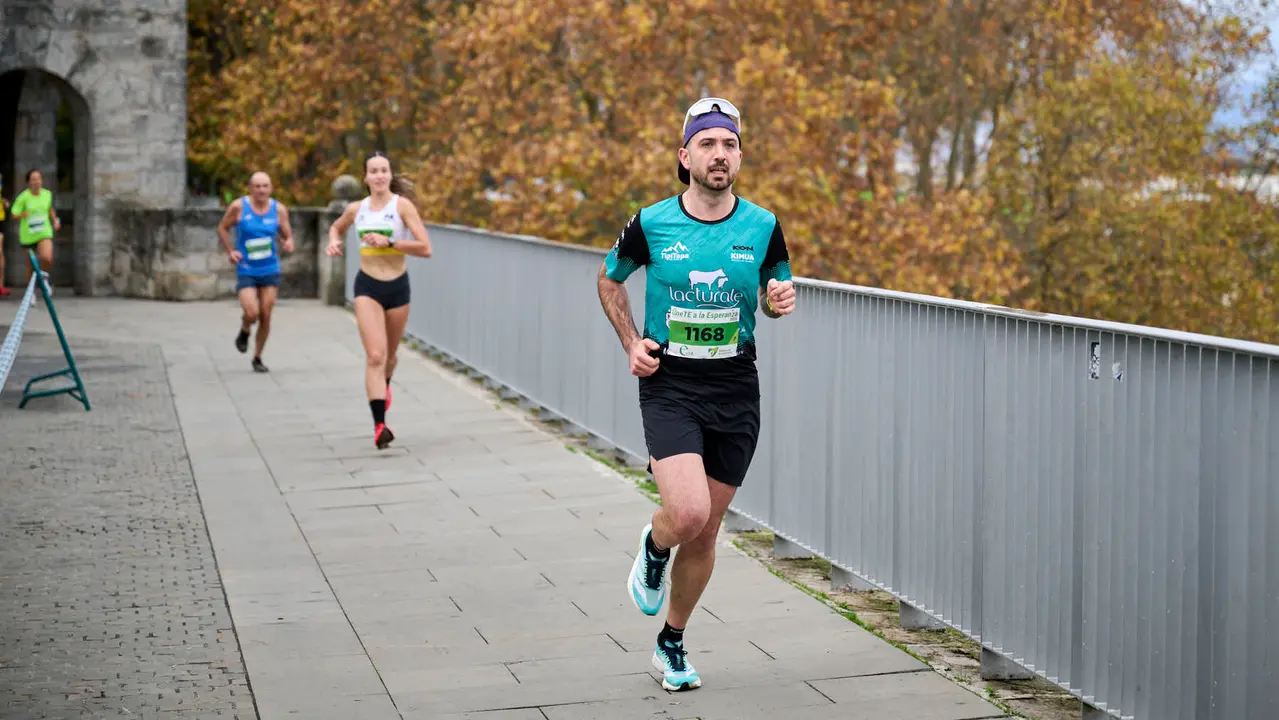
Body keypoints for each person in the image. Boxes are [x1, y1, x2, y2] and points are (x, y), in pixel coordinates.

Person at [595, 97, 797, 692]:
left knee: (708, 532)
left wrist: (778, 301)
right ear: (685, 156)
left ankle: (672, 641)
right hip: (671, 384)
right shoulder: (651, 222)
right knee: (687, 514)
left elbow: (776, 285)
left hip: (736, 385)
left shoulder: (762, 225)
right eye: (707, 144)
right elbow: (610, 280)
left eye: (729, 145)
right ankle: (655, 546)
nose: (719, 155)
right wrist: (631, 342)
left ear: (739, 156)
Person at [325, 152, 433, 449]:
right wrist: (334, 240)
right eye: (373, 171)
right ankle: (379, 426)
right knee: (375, 356)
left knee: (390, 357)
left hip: (397, 288)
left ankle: (383, 387)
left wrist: (391, 243)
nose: (379, 175)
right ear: (366, 177)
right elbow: (336, 226)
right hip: (367, 286)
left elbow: (425, 247)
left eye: (384, 170)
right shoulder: (357, 209)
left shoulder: (402, 207)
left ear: (389, 174)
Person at [216, 171, 295, 372]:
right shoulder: (238, 207)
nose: (261, 190)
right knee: (252, 311)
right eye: (257, 186)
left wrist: (288, 242)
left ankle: (257, 357)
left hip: (269, 267)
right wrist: (231, 251)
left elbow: (287, 234)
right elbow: (223, 228)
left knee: (266, 313)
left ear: (270, 188)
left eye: (265, 186)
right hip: (247, 267)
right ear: (251, 188)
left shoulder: (279, 210)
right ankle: (245, 329)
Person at [10, 169, 60, 295]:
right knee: (30, 266)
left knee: (47, 258)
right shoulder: (23, 197)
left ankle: (44, 279)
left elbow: (49, 208)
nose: (37, 181)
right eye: (33, 179)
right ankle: (30, 292)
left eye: (38, 178)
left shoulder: (47, 194)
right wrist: (23, 215)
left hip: (44, 231)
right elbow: (14, 215)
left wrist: (55, 220)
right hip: (28, 235)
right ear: (29, 182)